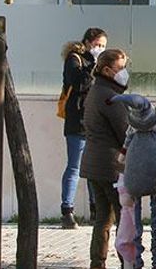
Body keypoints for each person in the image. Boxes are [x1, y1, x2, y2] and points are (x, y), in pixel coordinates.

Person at [82, 48, 130, 269]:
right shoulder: (110, 96)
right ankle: (127, 262)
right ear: (108, 70)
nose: (124, 72)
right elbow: (124, 130)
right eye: (121, 68)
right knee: (123, 218)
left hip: (93, 164)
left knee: (103, 217)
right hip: (110, 165)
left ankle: (97, 262)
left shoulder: (96, 90)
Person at [111, 93, 156, 269]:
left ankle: (137, 261)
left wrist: (120, 160)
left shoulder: (132, 134)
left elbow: (124, 149)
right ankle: (155, 260)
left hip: (135, 179)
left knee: (136, 222)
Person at [59, 28, 106, 228]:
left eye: (103, 46)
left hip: (95, 122)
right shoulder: (75, 59)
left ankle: (96, 211)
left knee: (94, 168)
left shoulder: (99, 63)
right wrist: (93, 64)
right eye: (97, 45)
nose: (100, 49)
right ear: (87, 42)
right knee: (75, 166)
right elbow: (79, 83)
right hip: (77, 121)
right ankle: (67, 211)